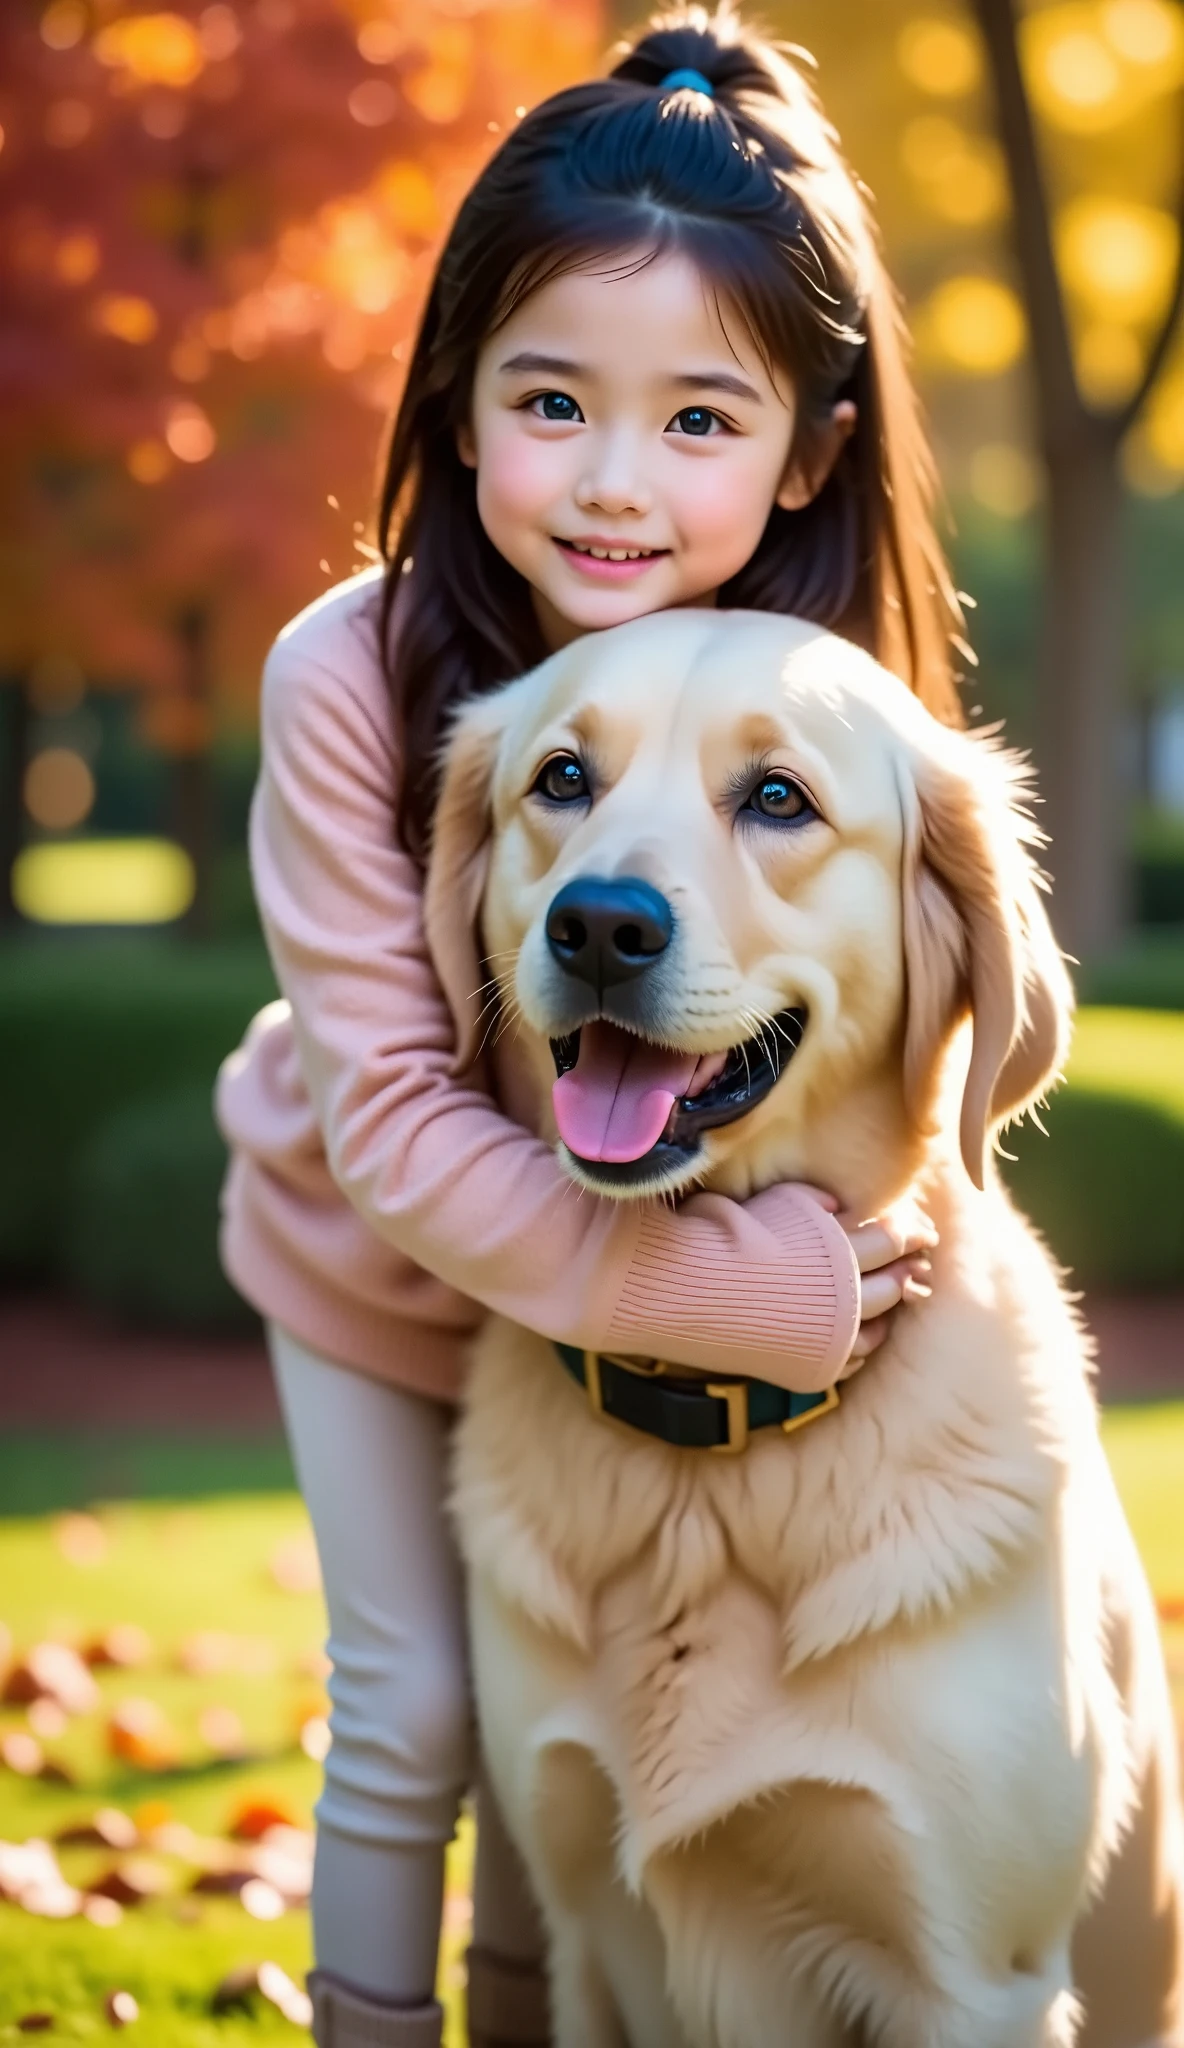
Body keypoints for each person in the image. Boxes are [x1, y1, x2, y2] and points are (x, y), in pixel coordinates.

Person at [216, 8, 961, 2044]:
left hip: (651, 1290)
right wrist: (768, 1299)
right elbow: (390, 1125)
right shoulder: (351, 675)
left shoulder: (815, 702)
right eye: (553, 401)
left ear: (810, 446)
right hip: (385, 1269)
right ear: (456, 403)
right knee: (425, 1705)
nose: (615, 484)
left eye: (699, 423)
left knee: (593, 1728)